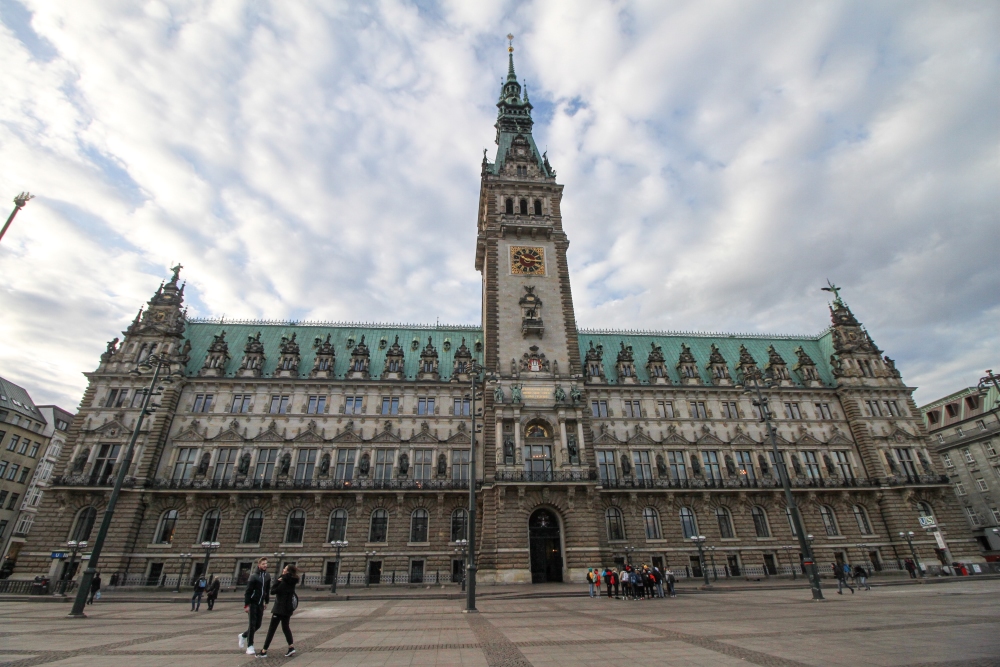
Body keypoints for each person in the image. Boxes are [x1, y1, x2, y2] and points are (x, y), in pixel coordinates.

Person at [257, 564, 299, 658]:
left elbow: (273, 591)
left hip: (280, 609)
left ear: (287, 571)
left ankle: (264, 651)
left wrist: (277, 581)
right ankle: (291, 647)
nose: (283, 569)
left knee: (272, 629)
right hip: (287, 608)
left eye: (285, 568)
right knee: (285, 627)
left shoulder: (284, 581)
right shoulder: (292, 580)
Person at [238, 557, 270, 655]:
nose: (265, 565)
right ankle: (250, 646)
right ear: (259, 565)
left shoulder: (267, 576)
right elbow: (248, 592)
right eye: (263, 564)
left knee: (258, 624)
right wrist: (246, 605)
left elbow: (267, 590)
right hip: (252, 603)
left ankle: (243, 635)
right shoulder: (253, 576)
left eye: (266, 563)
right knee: (252, 624)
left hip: (260, 603)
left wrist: (266, 601)